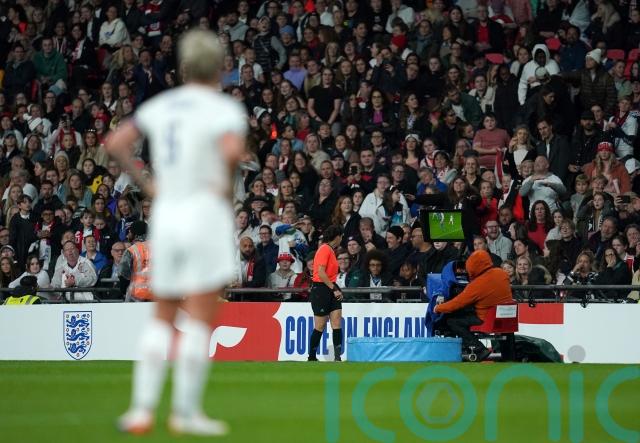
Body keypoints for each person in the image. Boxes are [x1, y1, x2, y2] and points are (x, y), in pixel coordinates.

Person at [106, 30, 247, 436]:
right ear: (218, 67)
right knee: (199, 317)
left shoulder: (161, 105)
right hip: (204, 214)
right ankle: (185, 412)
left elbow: (116, 143)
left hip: (167, 215)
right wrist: (225, 185)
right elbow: (231, 153)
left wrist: (148, 185)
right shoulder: (224, 110)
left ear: (184, 68)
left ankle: (140, 410)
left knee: (161, 315)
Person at [434, 249, 513, 361]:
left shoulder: (477, 284)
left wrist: (438, 308)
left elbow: (456, 304)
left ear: (472, 266)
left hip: (487, 320)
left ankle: (479, 349)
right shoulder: (502, 274)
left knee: (452, 321)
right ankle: (510, 357)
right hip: (506, 318)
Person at [308, 225, 344, 362]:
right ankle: (311, 357)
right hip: (321, 288)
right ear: (337, 237)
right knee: (320, 325)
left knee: (337, 321)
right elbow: (321, 273)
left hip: (330, 286)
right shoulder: (324, 249)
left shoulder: (330, 250)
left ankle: (337, 357)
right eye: (341, 236)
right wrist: (334, 289)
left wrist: (334, 288)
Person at [118, 221, 151, 302]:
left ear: (135, 234)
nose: (127, 235)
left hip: (136, 296)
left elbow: (123, 274)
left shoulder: (131, 250)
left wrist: (123, 290)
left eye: (129, 232)